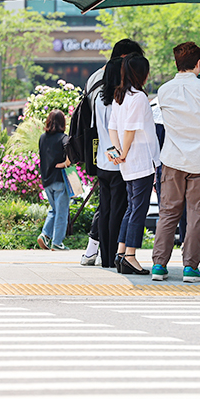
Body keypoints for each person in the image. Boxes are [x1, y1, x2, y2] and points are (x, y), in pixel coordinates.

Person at [151, 42, 200, 283]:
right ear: (198, 63)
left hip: (171, 158)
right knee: (196, 215)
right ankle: (190, 268)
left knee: (168, 213)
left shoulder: (164, 90)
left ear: (176, 63)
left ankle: (159, 265)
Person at [79, 39, 142, 266]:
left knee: (105, 211)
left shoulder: (98, 95)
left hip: (102, 161)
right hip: (118, 163)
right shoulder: (121, 100)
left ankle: (105, 258)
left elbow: (96, 129)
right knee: (118, 212)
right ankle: (114, 256)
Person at [108, 54, 160, 275]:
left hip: (128, 162)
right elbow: (130, 129)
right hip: (140, 161)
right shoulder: (138, 97)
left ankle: (121, 253)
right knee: (138, 210)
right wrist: (124, 153)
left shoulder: (119, 96)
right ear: (142, 73)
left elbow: (113, 128)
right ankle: (130, 255)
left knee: (131, 208)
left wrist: (118, 151)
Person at [37, 110, 72, 252]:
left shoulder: (42, 138)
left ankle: (45, 234)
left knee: (55, 209)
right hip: (60, 179)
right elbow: (71, 154)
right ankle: (57, 242)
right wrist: (65, 164)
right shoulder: (64, 138)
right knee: (62, 212)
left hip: (46, 180)